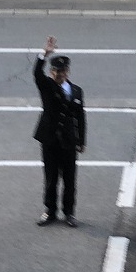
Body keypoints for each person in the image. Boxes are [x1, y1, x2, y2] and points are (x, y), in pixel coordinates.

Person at [33, 36, 86, 227]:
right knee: (51, 178)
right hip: (50, 140)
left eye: (62, 71)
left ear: (67, 72)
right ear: (51, 71)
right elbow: (37, 74)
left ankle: (69, 213)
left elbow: (80, 117)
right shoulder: (47, 87)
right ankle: (50, 211)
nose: (59, 74)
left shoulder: (76, 91)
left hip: (68, 141)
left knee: (70, 180)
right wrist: (44, 55)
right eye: (56, 71)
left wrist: (81, 140)